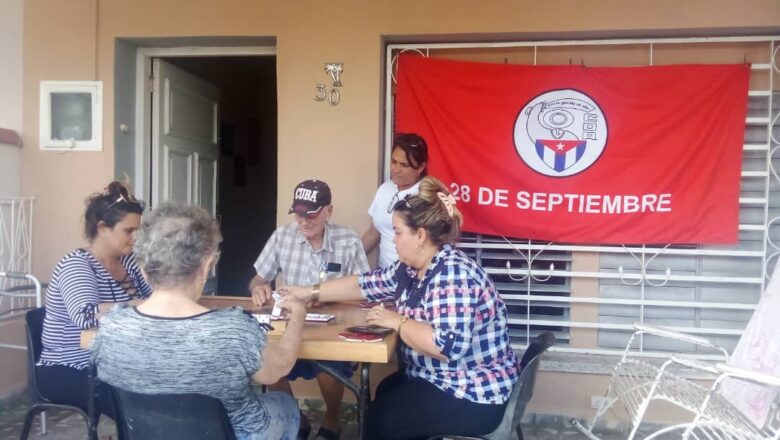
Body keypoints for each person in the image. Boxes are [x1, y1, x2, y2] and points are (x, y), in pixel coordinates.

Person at [282, 176, 519, 440]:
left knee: (380, 420)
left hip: (472, 391)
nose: (392, 239)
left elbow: (447, 346)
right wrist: (309, 291)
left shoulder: (451, 275)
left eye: (397, 232)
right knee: (385, 391)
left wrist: (398, 321)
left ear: (419, 236)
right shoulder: (414, 267)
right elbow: (364, 284)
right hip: (440, 378)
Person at [91, 203, 306, 440]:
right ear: (206, 265)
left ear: (142, 268)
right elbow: (277, 370)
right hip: (238, 434)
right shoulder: (233, 330)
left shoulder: (111, 327)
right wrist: (298, 316)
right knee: (285, 404)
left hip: (146, 434)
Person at [250, 179, 370, 440]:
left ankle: (330, 420)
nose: (304, 221)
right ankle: (297, 418)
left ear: (329, 210)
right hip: (291, 324)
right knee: (266, 358)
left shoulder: (348, 241)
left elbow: (365, 290)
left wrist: (328, 298)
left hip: (332, 327)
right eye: (299, 214)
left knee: (329, 365)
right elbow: (258, 278)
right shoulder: (282, 236)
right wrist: (258, 288)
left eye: (312, 214)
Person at [38, 181, 150, 418]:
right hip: (68, 366)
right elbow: (86, 315)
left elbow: (154, 302)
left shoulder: (128, 262)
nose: (135, 238)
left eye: (138, 230)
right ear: (102, 228)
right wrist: (138, 305)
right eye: (129, 231)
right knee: (137, 399)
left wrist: (150, 274)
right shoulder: (77, 265)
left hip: (114, 359)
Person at [362, 133, 428, 268]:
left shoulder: (427, 194)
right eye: (394, 162)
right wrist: (350, 257)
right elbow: (373, 233)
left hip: (415, 276)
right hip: (385, 277)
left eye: (404, 165)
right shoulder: (385, 189)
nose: (396, 169)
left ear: (421, 167)